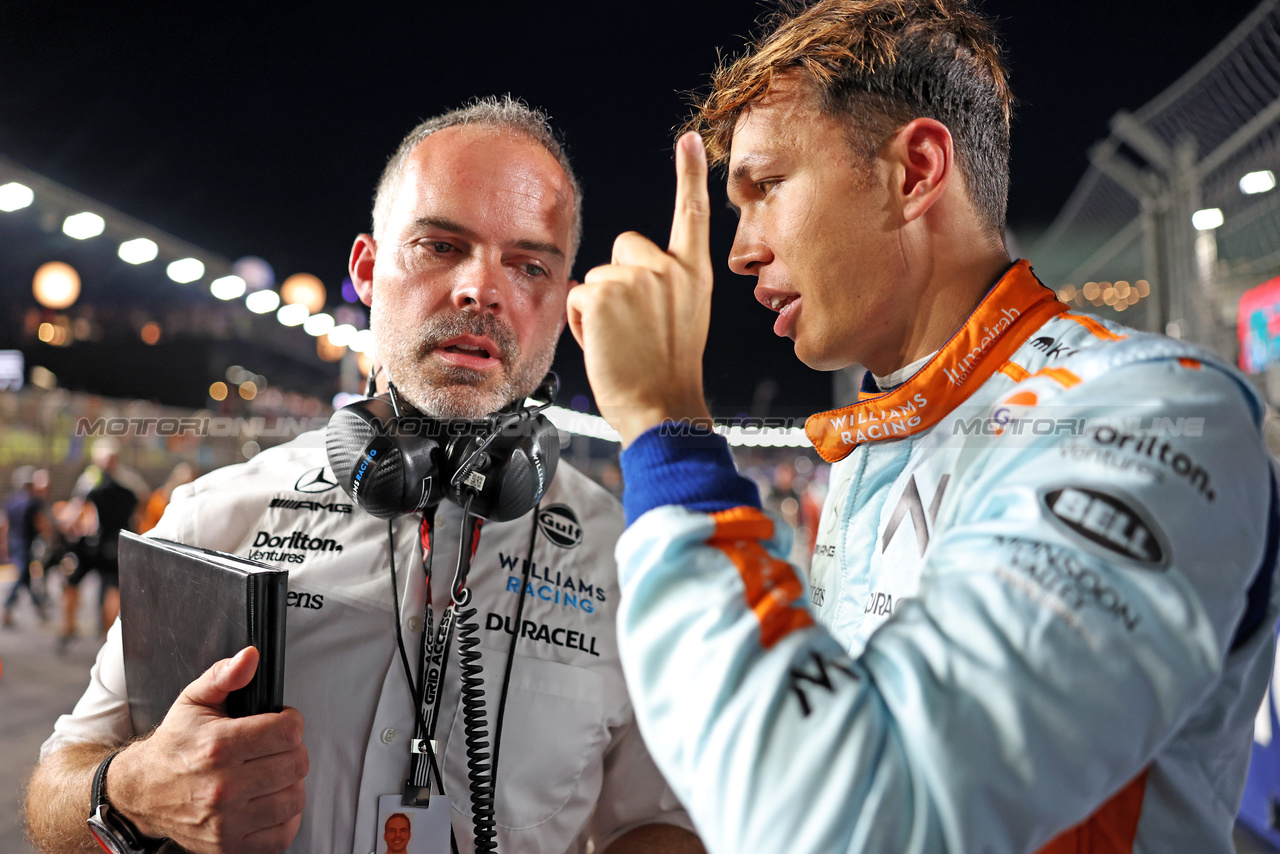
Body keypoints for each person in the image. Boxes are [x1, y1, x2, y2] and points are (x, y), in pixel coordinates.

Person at [565, 2, 1280, 852]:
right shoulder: (889, 437)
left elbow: (854, 821)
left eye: (767, 189)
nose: (740, 250)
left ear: (915, 172)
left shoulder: (1149, 411)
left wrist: (665, 433)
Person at [26, 98, 700, 854]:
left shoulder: (630, 558)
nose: (482, 289)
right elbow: (56, 791)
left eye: (528, 263)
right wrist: (132, 790)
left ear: (565, 302)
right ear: (369, 271)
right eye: (442, 246)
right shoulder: (220, 516)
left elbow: (660, 822)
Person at [60, 441, 140, 643]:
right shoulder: (128, 479)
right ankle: (79, 628)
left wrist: (71, 527)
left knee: (110, 588)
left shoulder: (92, 479)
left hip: (100, 542)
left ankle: (100, 632)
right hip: (116, 542)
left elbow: (76, 509)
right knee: (105, 586)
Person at [3, 466, 51, 626]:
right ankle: (8, 608)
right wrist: (52, 537)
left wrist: (5, 545)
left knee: (26, 578)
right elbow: (40, 523)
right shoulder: (33, 502)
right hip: (26, 543)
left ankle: (39, 607)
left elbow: (5, 525)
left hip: (14, 542)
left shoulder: (11, 500)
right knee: (22, 577)